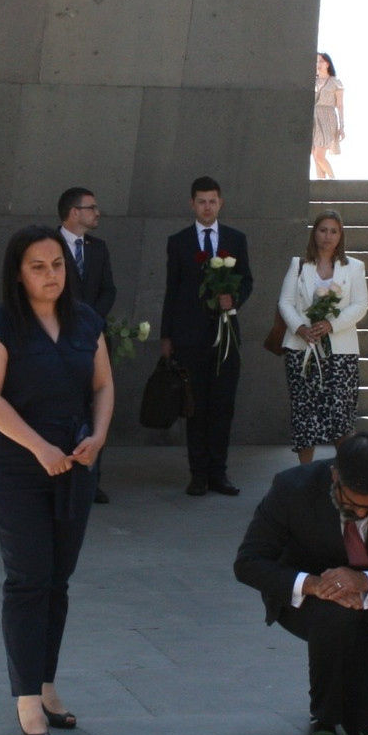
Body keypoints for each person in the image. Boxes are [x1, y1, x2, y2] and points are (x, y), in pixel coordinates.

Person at [0, 225, 115, 735]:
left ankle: (48, 684)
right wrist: (39, 448)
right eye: (38, 266)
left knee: (58, 581)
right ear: (18, 272)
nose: (51, 274)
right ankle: (26, 698)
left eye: (57, 264)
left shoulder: (86, 320)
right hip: (19, 472)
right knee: (29, 581)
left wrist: (98, 436)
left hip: (76, 468)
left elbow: (102, 384)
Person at [234, 431, 368, 735]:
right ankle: (322, 719)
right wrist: (315, 585)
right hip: (307, 600)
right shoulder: (291, 487)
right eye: (352, 505)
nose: (361, 515)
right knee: (335, 614)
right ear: (335, 475)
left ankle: (356, 701)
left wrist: (363, 582)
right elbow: (248, 563)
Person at [160, 176, 253, 496]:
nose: (207, 206)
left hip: (226, 336)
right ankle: (197, 473)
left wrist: (235, 298)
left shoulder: (236, 239)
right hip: (189, 336)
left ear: (221, 203)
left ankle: (219, 473)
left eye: (212, 201)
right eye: (201, 201)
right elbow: (172, 290)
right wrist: (166, 336)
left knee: (222, 405)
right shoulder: (179, 241)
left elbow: (247, 281)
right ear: (192, 204)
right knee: (195, 406)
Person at [277, 210, 368, 464]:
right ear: (314, 232)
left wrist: (331, 324)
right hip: (302, 350)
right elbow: (285, 303)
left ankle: (346, 476)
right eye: (323, 230)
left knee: (341, 416)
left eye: (334, 231)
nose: (328, 236)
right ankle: (305, 475)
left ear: (341, 236)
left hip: (340, 353)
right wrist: (300, 328)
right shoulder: (299, 265)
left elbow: (360, 305)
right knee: (305, 415)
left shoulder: (354, 267)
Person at [58, 187, 119, 504]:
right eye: (91, 207)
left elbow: (108, 289)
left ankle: (91, 477)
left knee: (96, 405)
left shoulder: (99, 248)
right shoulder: (49, 245)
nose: (97, 213)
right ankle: (61, 470)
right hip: (59, 338)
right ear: (73, 212)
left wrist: (91, 320)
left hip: (92, 337)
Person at [312, 54, 345, 180]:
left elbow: (340, 105)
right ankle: (321, 186)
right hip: (314, 118)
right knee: (315, 156)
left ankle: (333, 180)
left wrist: (342, 126)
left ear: (327, 64)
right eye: (316, 62)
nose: (318, 64)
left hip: (328, 118)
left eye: (321, 61)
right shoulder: (312, 81)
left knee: (319, 154)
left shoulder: (335, 82)